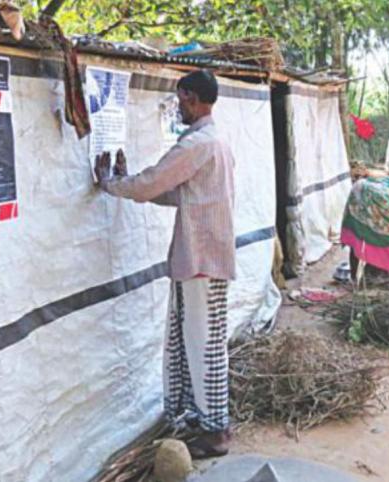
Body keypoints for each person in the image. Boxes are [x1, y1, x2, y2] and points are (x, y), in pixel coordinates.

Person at [93, 70, 235, 458]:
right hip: (208, 252)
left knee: (201, 343)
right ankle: (203, 419)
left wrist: (112, 184)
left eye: (179, 100)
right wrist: (130, 184)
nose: (177, 108)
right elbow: (177, 194)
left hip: (201, 255)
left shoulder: (197, 143)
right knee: (201, 340)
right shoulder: (216, 139)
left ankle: (215, 431)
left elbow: (153, 182)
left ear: (190, 98)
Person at [341, 167, 389, 292]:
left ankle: (353, 280)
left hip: (362, 226)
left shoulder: (358, 186)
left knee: (355, 245)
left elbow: (350, 214)